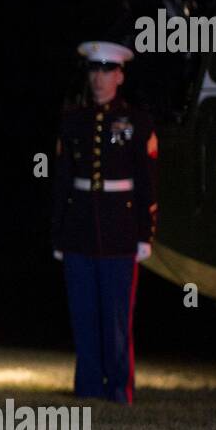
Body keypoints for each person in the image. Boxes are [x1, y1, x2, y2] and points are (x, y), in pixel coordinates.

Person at [51, 41, 158, 404]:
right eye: (94, 71)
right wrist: (59, 232)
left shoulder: (138, 122)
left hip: (119, 228)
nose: (99, 79)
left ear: (120, 75)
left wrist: (145, 232)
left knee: (115, 314)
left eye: (106, 71)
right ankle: (88, 385)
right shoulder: (73, 121)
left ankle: (118, 388)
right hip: (80, 228)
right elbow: (62, 181)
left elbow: (147, 182)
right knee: (83, 312)